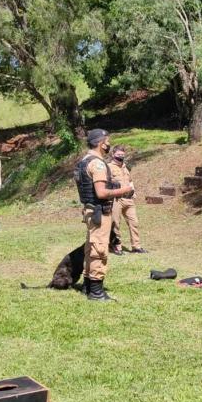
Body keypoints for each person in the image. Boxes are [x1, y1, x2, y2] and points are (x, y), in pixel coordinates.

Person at [75, 129, 135, 302]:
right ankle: (96, 291)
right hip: (99, 212)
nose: (109, 144)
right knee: (99, 249)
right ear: (101, 143)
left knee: (91, 248)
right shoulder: (98, 164)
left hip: (91, 210)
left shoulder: (85, 161)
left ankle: (87, 285)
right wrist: (123, 190)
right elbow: (101, 193)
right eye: (107, 141)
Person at [108, 145, 146, 255]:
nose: (121, 157)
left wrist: (134, 191)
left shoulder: (125, 167)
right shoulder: (109, 167)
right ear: (113, 155)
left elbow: (130, 180)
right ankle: (116, 246)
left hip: (129, 199)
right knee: (115, 223)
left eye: (122, 155)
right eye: (119, 155)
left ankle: (136, 247)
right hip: (116, 199)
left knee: (134, 223)